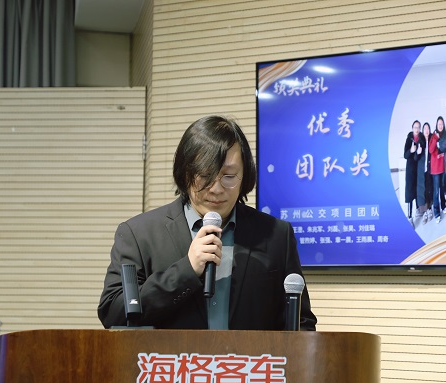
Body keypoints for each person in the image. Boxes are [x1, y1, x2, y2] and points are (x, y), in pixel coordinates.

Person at [97, 115, 317, 330]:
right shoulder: (139, 234)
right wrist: (186, 270)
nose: (216, 189)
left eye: (229, 177)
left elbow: (302, 323)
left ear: (245, 175)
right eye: (204, 176)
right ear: (185, 173)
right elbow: (113, 312)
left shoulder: (276, 235)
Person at [403, 120, 426, 223]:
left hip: (419, 169)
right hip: (410, 170)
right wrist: (411, 151)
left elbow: (421, 154)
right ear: (412, 128)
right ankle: (409, 216)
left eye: (418, 127)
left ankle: (418, 210)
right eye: (415, 127)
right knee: (409, 192)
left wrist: (419, 152)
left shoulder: (421, 139)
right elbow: (405, 155)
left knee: (418, 190)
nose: (417, 129)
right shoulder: (409, 139)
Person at [429, 116, 446, 224]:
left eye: (442, 124)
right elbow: (431, 150)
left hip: (443, 168)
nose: (440, 126)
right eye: (439, 124)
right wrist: (435, 137)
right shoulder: (433, 136)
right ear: (436, 125)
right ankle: (436, 212)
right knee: (436, 191)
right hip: (435, 169)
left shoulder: (445, 135)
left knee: (442, 189)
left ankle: (443, 206)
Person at [422, 122, 434, 224]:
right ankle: (424, 212)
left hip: (429, 170)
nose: (426, 130)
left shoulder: (431, 140)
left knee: (429, 190)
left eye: (428, 128)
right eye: (425, 128)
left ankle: (429, 209)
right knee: (423, 191)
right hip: (421, 171)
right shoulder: (420, 141)